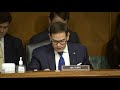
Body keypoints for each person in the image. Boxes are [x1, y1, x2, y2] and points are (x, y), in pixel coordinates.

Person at [27, 22, 92, 71]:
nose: (58, 45)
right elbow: (30, 74)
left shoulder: (81, 50)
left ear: (68, 36)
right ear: (50, 37)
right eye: (55, 41)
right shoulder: (39, 54)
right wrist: (42, 74)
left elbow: (90, 71)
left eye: (62, 41)